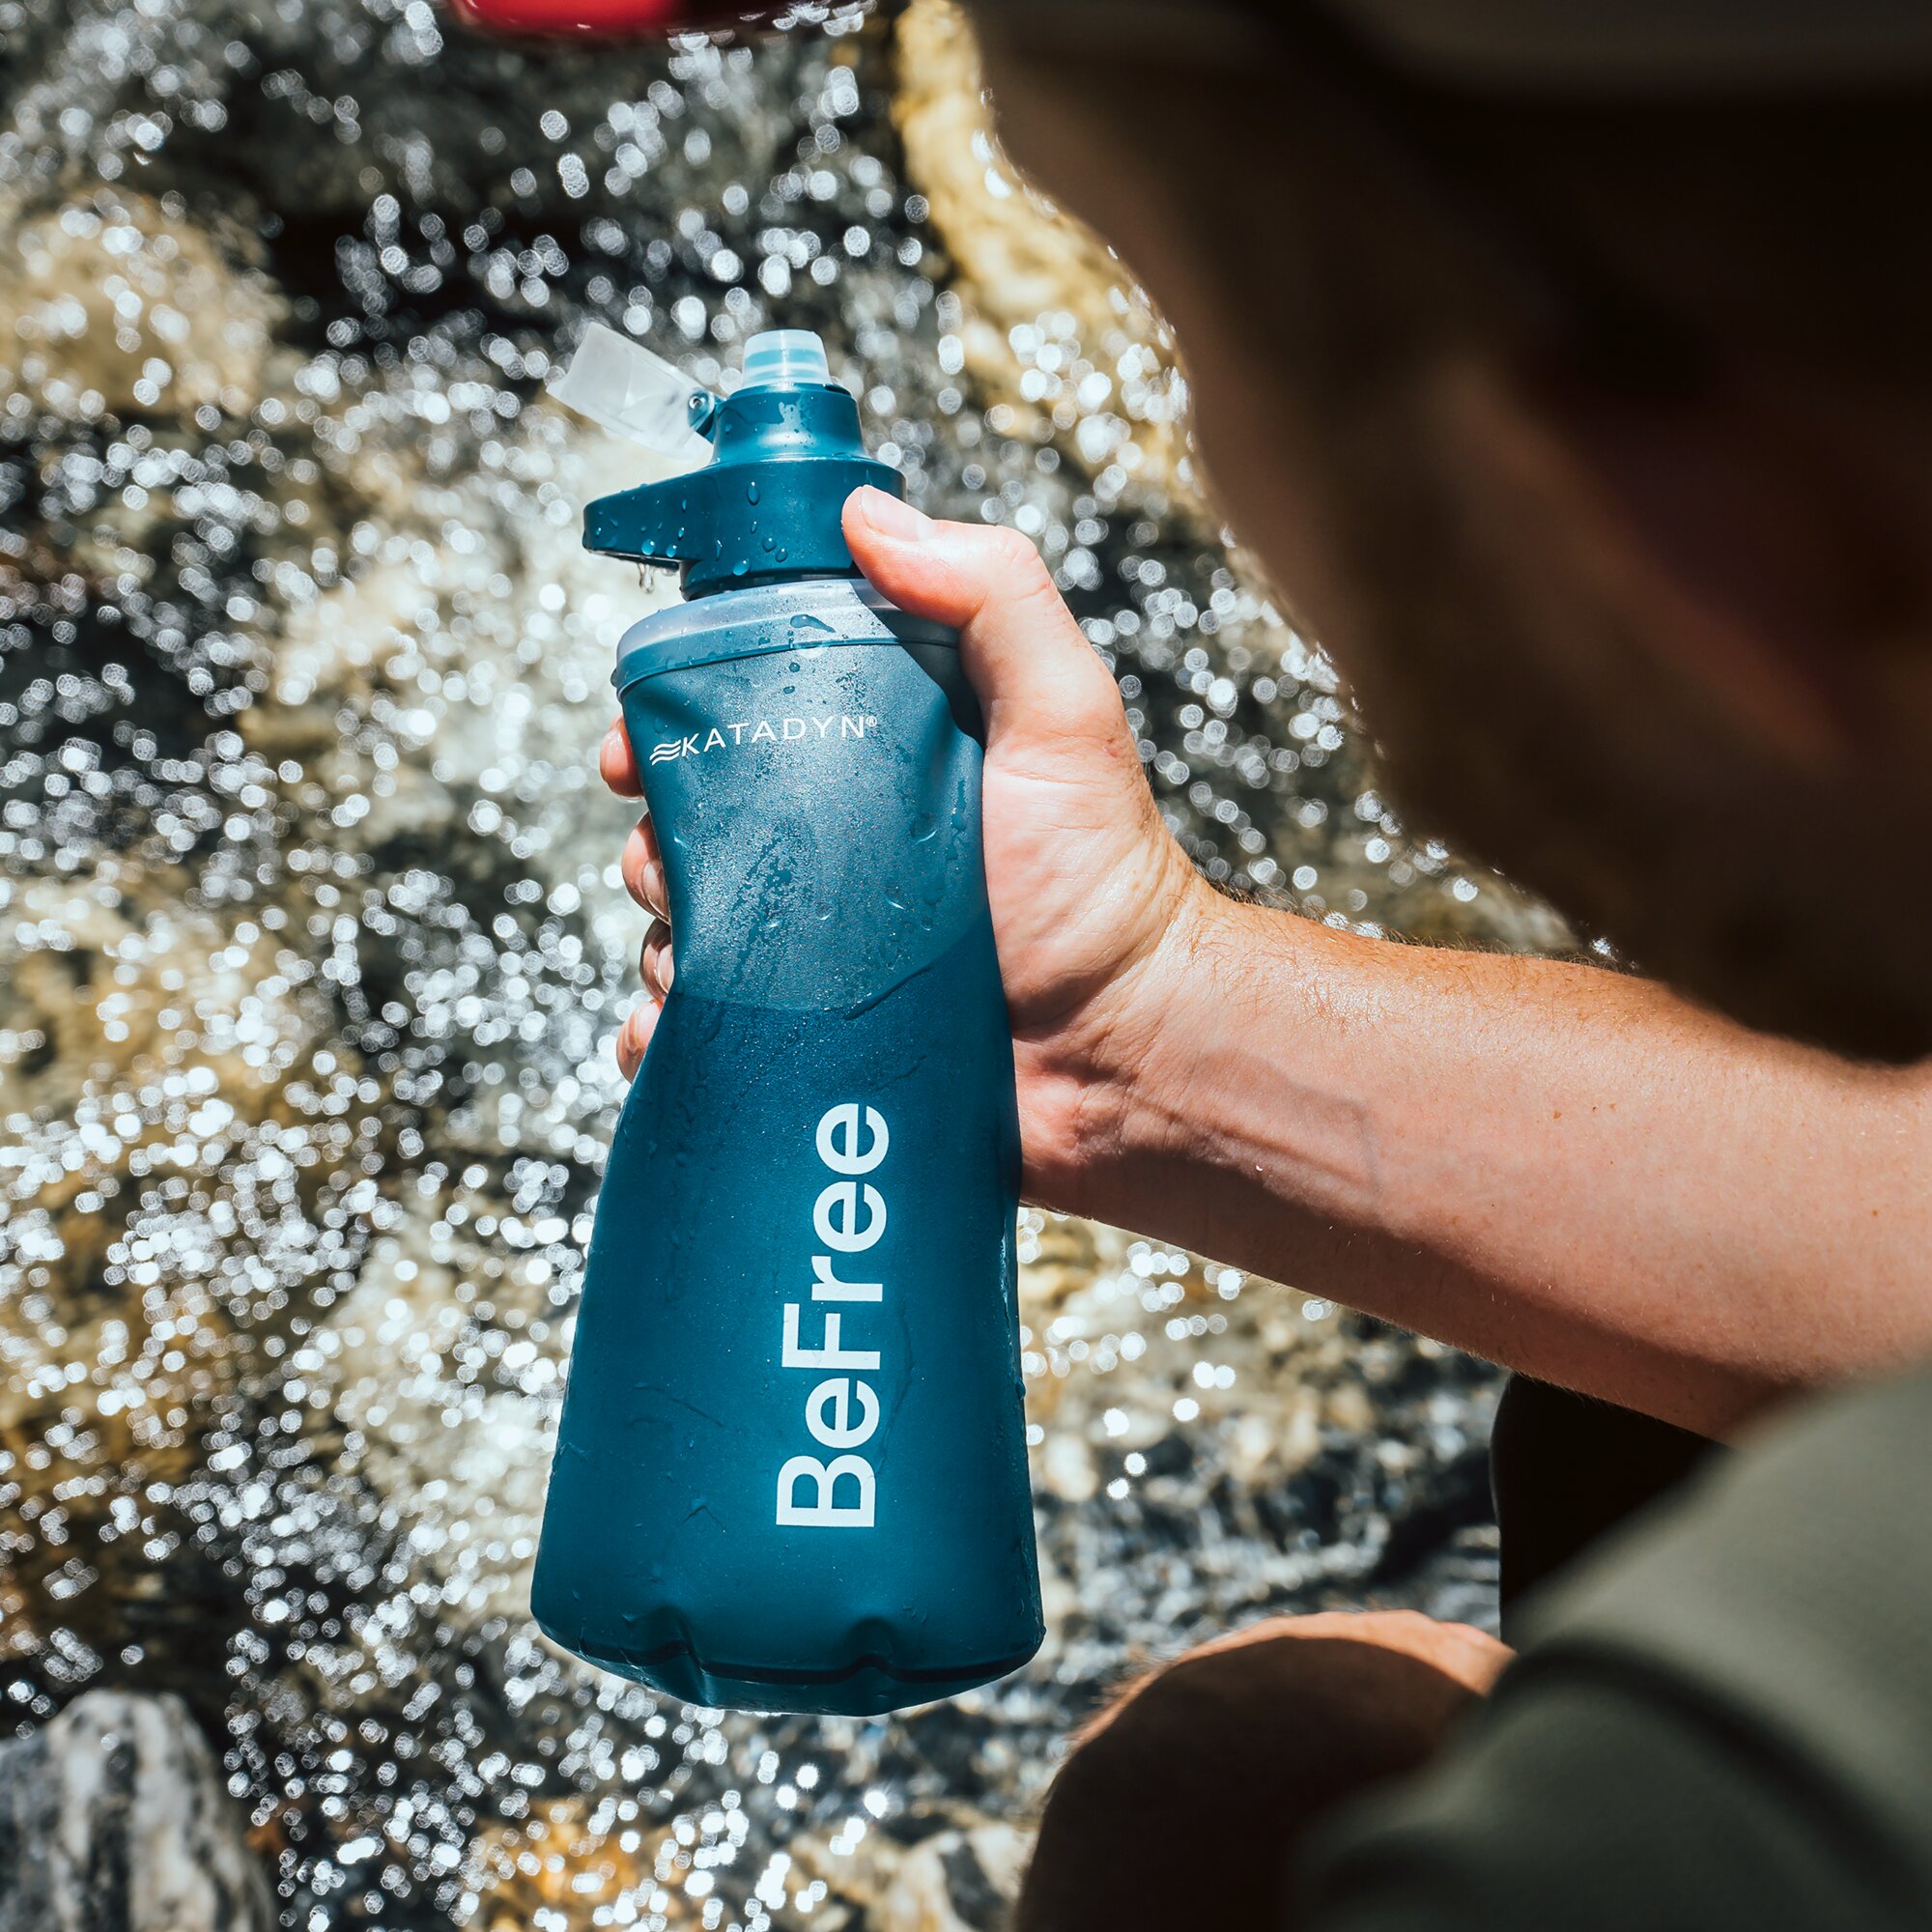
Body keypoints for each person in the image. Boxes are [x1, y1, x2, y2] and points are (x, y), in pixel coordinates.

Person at [589, 1, 1932, 1925]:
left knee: (1223, 1813)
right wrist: (1131, 1025)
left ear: (1643, 512)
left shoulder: (1708, 1824)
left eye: (1179, 332)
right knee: (1255, 1765)